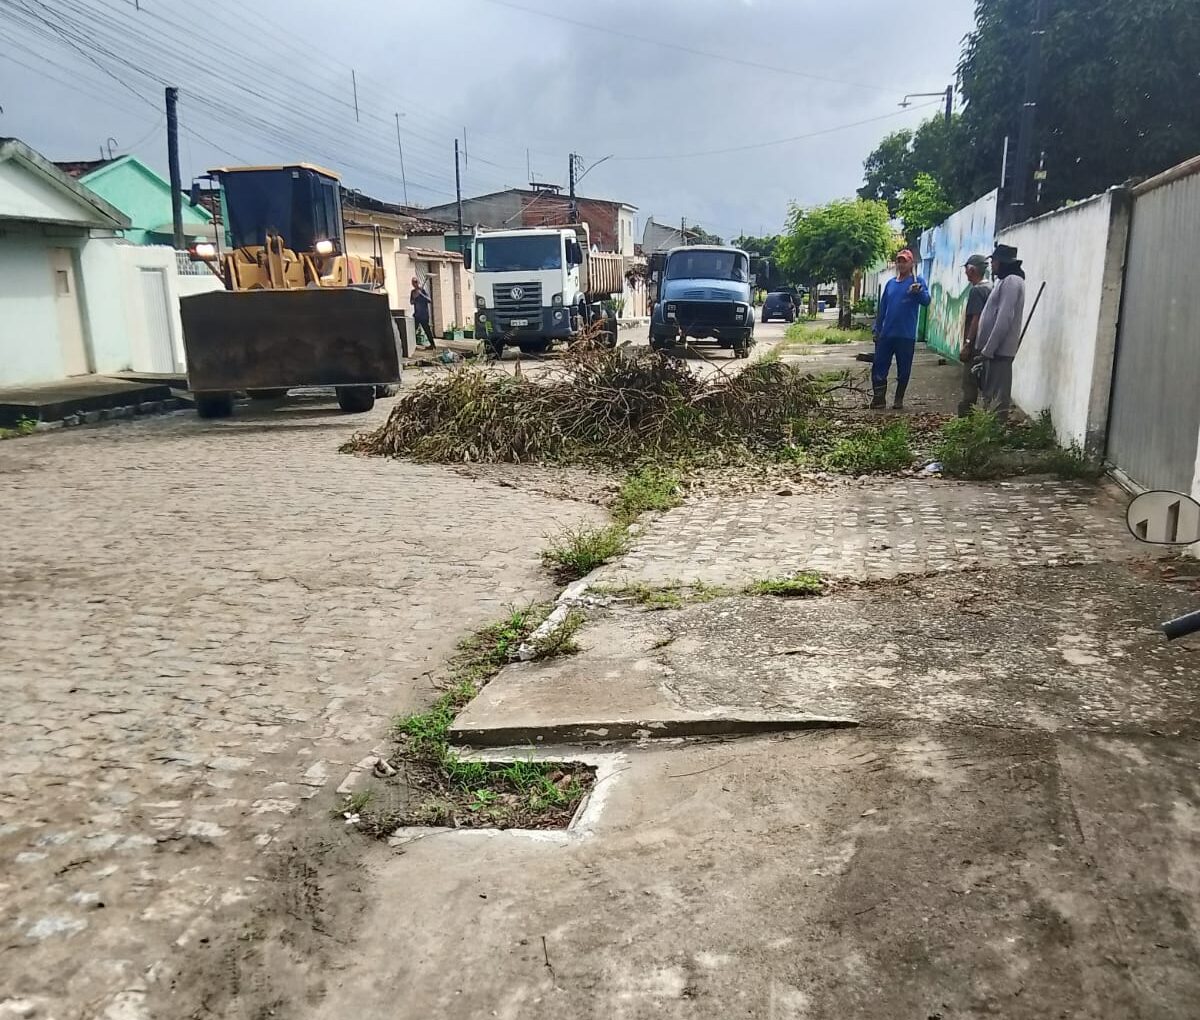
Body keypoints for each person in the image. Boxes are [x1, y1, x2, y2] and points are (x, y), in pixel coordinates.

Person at [871, 248, 931, 409]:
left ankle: (899, 399)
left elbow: (926, 301)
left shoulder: (917, 282)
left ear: (911, 263)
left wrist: (918, 292)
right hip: (887, 334)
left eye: (905, 261)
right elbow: (883, 308)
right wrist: (877, 328)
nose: (901, 264)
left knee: (904, 370)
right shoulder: (890, 284)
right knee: (879, 366)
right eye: (899, 261)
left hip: (906, 335)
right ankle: (879, 399)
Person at [975, 243, 1027, 423]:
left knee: (997, 396)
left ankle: (995, 429)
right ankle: (990, 427)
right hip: (995, 350)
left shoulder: (1012, 281)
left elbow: (1004, 318)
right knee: (990, 393)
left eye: (994, 261)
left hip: (1000, 350)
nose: (992, 264)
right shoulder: (1004, 281)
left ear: (1003, 262)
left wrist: (989, 349)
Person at [957, 254, 992, 416]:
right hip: (987, 344)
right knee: (985, 383)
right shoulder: (991, 288)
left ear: (972, 270)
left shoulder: (977, 291)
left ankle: (966, 419)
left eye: (966, 269)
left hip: (975, 345)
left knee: (969, 384)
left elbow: (975, 319)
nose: (965, 273)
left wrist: (967, 344)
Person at [410, 276, 435, 347]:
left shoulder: (422, 290)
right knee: (413, 330)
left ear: (418, 282)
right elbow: (411, 302)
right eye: (413, 282)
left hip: (424, 315)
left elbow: (429, 300)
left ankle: (432, 345)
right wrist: (414, 299)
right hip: (417, 314)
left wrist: (421, 294)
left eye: (416, 282)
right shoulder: (413, 292)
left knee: (427, 330)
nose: (414, 284)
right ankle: (412, 345)